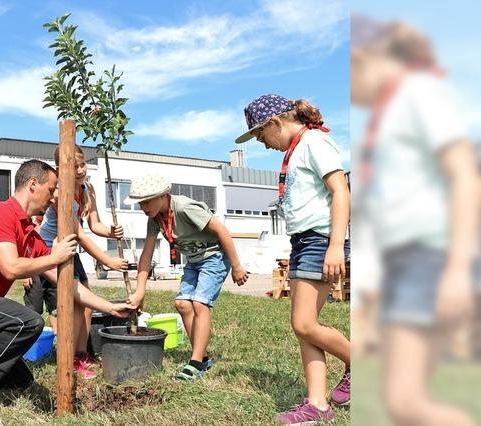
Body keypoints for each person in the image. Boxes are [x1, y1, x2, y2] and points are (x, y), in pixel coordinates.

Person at [352, 15, 479, 426]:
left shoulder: (420, 94)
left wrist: (457, 270)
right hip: (407, 262)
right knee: (400, 403)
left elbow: (465, 176)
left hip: (431, 257)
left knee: (404, 402)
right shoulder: (386, 114)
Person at [0, 159, 133, 415]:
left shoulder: (29, 233)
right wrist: (55, 257)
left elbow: (69, 284)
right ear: (33, 184)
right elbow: (10, 267)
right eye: (52, 188)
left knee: (21, 381)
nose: (55, 196)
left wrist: (111, 308)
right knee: (27, 322)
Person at [236, 94, 351, 424]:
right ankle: (317, 405)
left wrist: (334, 245)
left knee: (303, 324)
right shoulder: (296, 149)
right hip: (303, 241)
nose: (264, 144)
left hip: (320, 241)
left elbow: (341, 191)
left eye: (262, 136)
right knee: (305, 329)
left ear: (275, 123)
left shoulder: (314, 141)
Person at [123, 175, 248, 381]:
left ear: (162, 195)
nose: (143, 207)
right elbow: (146, 255)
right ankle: (203, 358)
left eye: (146, 201)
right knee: (182, 304)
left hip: (214, 255)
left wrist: (236, 265)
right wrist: (140, 290)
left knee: (200, 304)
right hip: (194, 260)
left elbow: (221, 230)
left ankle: (195, 363)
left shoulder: (184, 208)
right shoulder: (154, 219)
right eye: (140, 203)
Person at [27, 145, 127, 379]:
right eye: (74, 166)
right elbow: (80, 234)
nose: (81, 170)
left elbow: (94, 226)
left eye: (83, 164)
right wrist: (107, 261)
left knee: (87, 304)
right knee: (71, 304)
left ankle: (80, 355)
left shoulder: (87, 188)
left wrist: (111, 232)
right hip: (50, 249)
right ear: (61, 169)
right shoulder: (59, 193)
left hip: (69, 247)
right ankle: (68, 357)